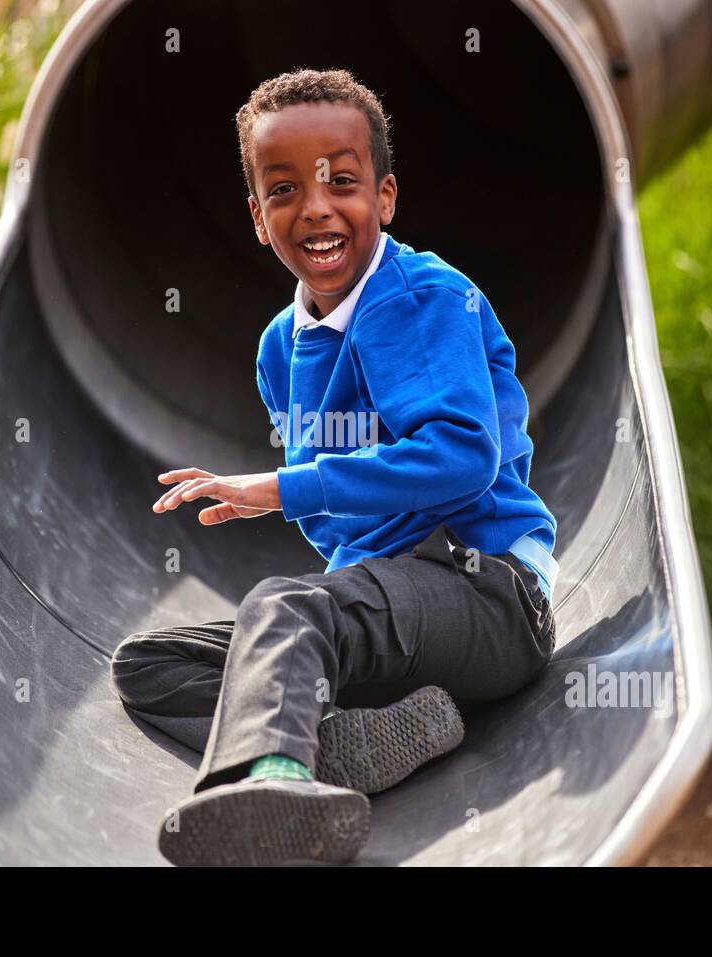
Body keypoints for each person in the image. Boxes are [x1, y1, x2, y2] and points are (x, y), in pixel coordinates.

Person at [109, 68, 559, 867]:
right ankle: (335, 742)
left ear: (384, 197)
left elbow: (462, 457)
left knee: (282, 608)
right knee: (150, 664)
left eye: (341, 181)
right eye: (283, 189)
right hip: (389, 614)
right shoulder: (280, 348)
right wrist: (316, 513)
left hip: (486, 592)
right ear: (256, 217)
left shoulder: (422, 296)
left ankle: (277, 781)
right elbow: (336, 522)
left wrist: (277, 490)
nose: (315, 207)